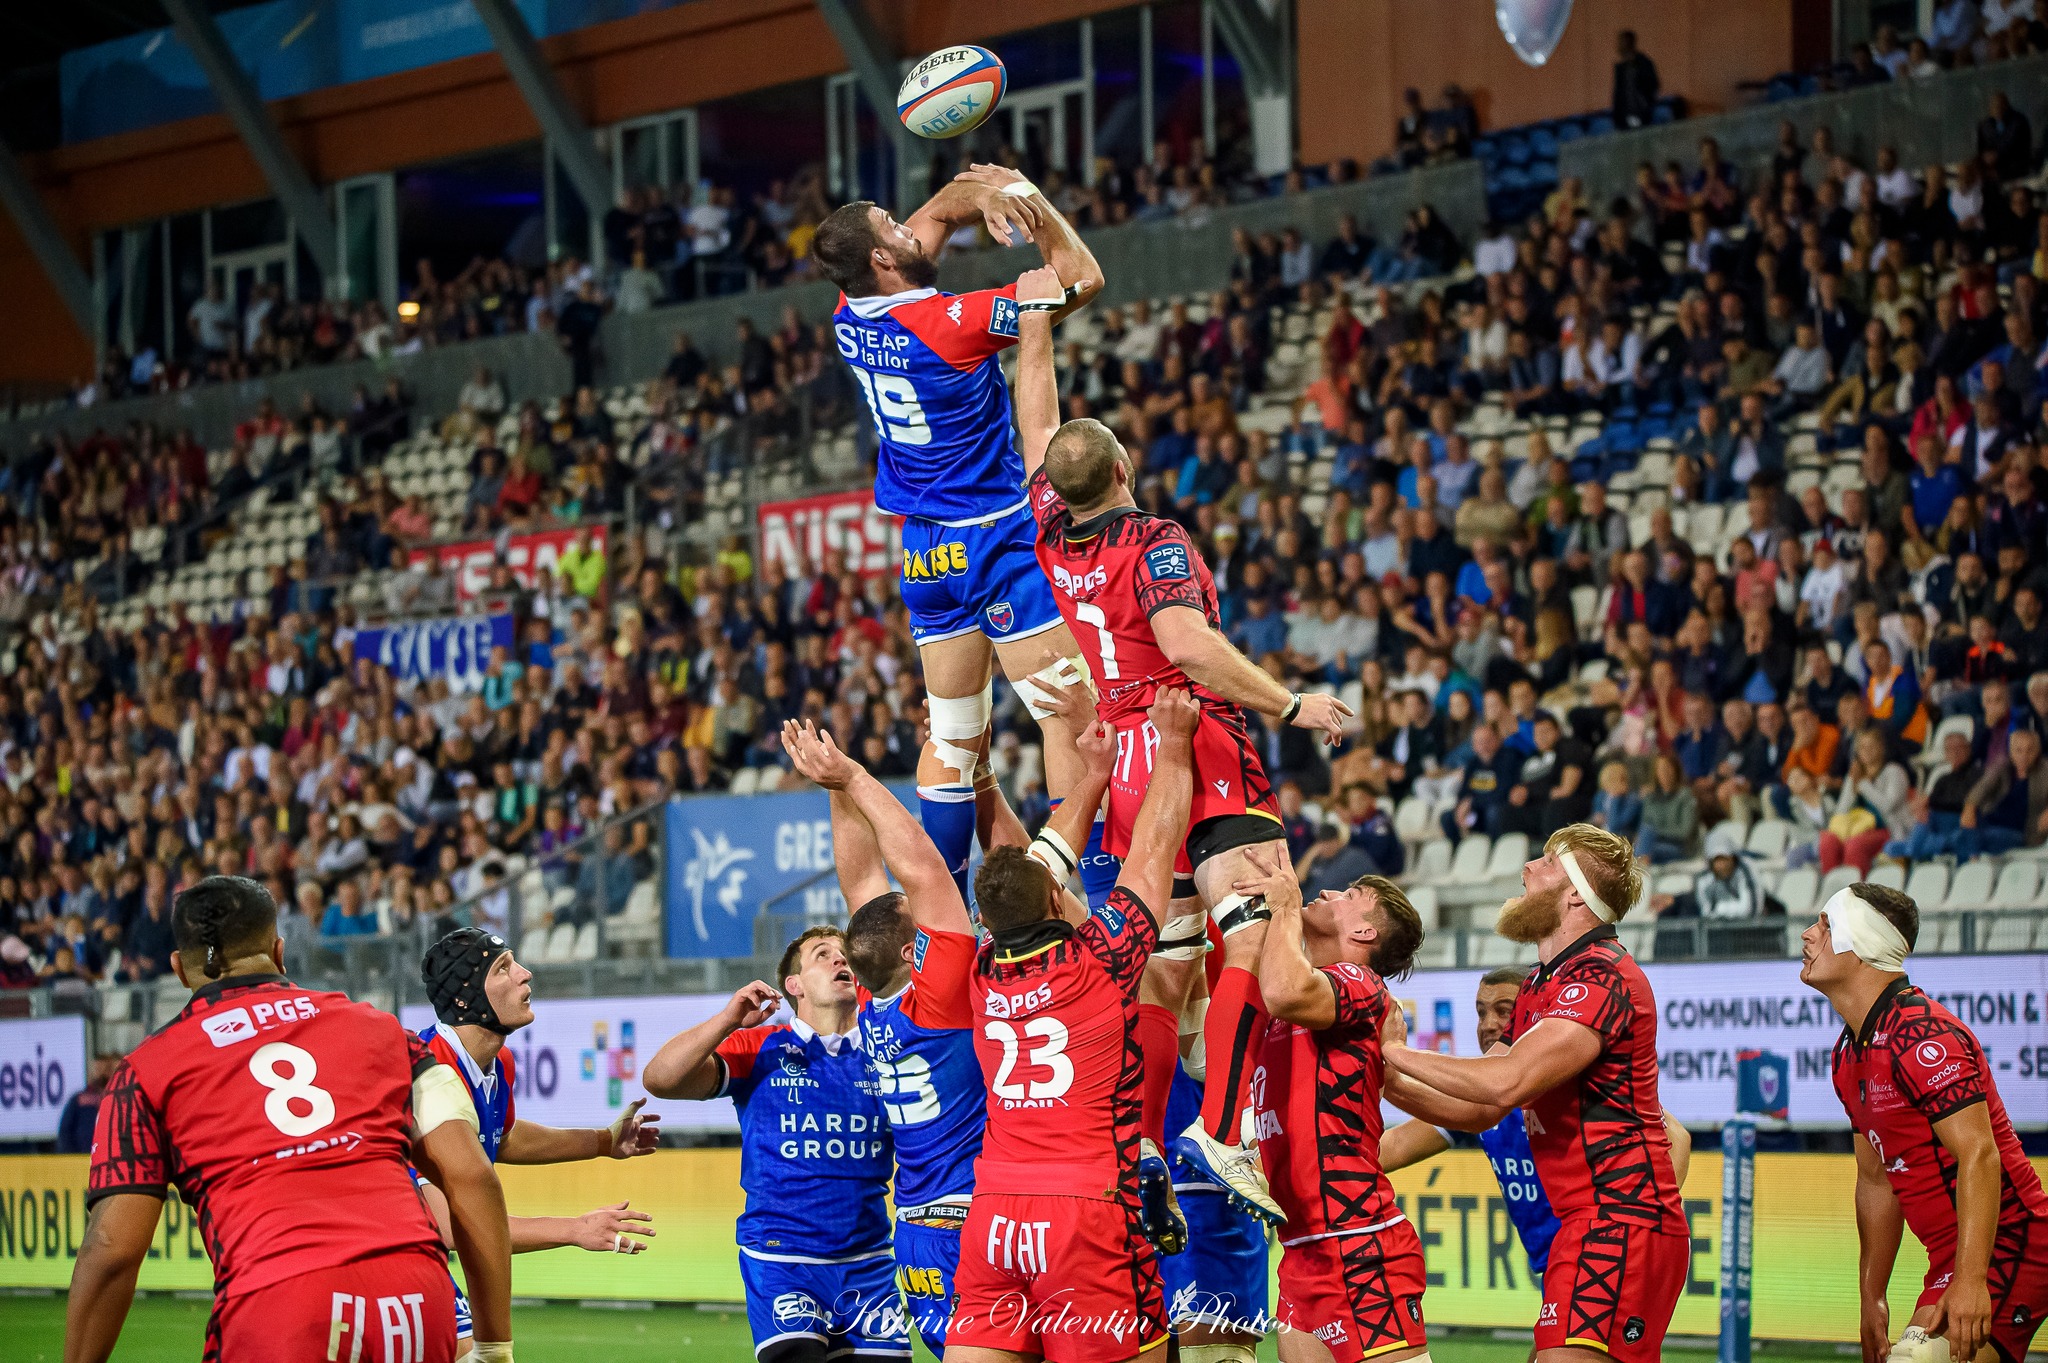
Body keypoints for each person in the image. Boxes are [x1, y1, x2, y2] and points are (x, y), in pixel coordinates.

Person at [1012, 263, 1352, 1221]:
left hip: (1122, 757)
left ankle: (1143, 1137)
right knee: (1257, 914)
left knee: (1167, 959)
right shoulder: (1151, 538)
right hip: (1191, 739)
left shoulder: (1053, 532)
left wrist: (1034, 325)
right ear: (1124, 470)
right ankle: (1223, 1128)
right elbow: (1188, 646)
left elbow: (1039, 431)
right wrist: (1294, 706)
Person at [812, 161, 1105, 915]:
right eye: (892, 226)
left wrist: (974, 195)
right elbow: (1081, 276)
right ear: (881, 257)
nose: (911, 225)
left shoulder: (852, 314)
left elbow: (932, 219)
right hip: (998, 536)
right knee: (1065, 709)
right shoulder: (955, 321)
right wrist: (1030, 198)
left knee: (953, 732)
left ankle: (937, 916)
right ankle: (1101, 890)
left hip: (924, 550)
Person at [65, 875, 515, 1363]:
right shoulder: (385, 1031)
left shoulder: (146, 1071)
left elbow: (112, 1248)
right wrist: (494, 1346)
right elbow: (472, 1175)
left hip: (282, 1303)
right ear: (279, 952)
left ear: (178, 969)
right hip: (417, 1302)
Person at [784, 715, 1108, 1348]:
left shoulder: (877, 1009)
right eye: (924, 928)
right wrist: (850, 773)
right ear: (913, 955)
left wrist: (833, 788)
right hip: (986, 1215)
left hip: (915, 1234)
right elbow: (927, 872)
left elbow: (861, 885)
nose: (943, 915)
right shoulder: (942, 996)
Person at [944, 687, 1199, 1363]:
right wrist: (1173, 745)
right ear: (1058, 895)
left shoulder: (978, 971)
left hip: (995, 1213)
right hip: (1086, 1215)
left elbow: (1042, 864)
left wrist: (1091, 778)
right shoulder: (1104, 958)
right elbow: (1154, 848)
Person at [1384, 825, 1688, 1363]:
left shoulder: (1602, 977)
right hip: (1590, 1225)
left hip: (1618, 1219)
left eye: (1547, 862)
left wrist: (1393, 1051)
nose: (1528, 868)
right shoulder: (1538, 984)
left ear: (1574, 894)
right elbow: (1479, 1107)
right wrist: (1379, 1073)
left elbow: (1509, 1080)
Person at [1801, 883, 2048, 1363]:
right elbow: (1876, 1182)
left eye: (1826, 925)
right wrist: (1872, 1296)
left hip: (2011, 1244)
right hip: (1956, 1258)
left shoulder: (1922, 1034)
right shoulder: (1847, 1054)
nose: (1808, 935)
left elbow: (1979, 1154)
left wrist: (1972, 1279)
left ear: (1863, 942)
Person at [642, 931, 906, 1363]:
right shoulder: (760, 1045)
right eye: (823, 956)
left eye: (845, 956)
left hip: (869, 1263)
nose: (841, 961)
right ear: (795, 985)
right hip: (782, 1260)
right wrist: (727, 1019)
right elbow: (660, 1079)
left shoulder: (886, 1051)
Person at [410, 929, 662, 1350]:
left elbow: (501, 1138)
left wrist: (602, 1141)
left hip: (416, 1252)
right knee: (475, 1352)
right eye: (503, 968)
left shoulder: (497, 1062)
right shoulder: (430, 1071)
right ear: (463, 997)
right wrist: (575, 1229)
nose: (525, 975)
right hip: (368, 1251)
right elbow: (452, 1226)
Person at [1612, 30, 1661, 130]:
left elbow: (1653, 85)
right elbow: (1618, 94)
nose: (1619, 46)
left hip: (1641, 114)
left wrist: (1645, 106)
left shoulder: (1643, 64)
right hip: (1623, 119)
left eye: (1622, 42)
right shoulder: (1621, 68)